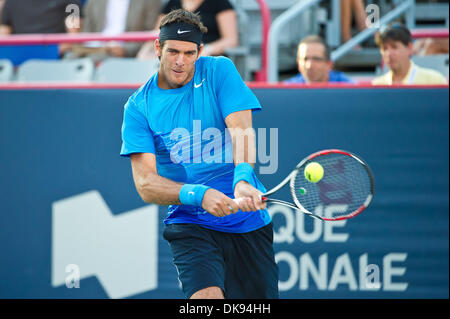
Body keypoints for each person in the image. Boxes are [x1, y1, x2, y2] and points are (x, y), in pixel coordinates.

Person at [120, 9, 278, 299]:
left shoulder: (219, 70)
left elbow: (241, 131)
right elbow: (145, 184)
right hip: (190, 223)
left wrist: (242, 179)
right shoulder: (138, 107)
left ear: (200, 51)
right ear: (158, 48)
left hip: (248, 224)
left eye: (189, 53)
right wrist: (199, 195)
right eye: (173, 52)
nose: (180, 62)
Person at [137, 0, 238, 59]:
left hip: (205, 59)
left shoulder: (220, 3)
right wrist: (145, 52)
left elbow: (231, 40)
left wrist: (207, 49)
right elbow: (157, 33)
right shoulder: (172, 3)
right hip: (174, 57)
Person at [64, 0, 161, 61]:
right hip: (94, 47)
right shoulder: (94, 2)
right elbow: (87, 31)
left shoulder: (149, 2)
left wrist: (126, 50)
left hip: (122, 51)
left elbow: (150, 34)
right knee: (69, 58)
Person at [372, 24, 448, 85]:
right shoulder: (377, 84)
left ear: (409, 47)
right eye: (384, 49)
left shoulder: (435, 81)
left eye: (394, 47)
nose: (389, 53)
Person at [285, 35, 355, 84]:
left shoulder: (347, 87)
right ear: (298, 63)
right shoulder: (287, 90)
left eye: (316, 59)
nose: (309, 66)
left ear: (329, 64)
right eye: (305, 59)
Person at [0, 0, 82, 35]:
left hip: (57, 56)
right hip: (19, 56)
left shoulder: (72, 2)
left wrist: (54, 51)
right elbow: (4, 35)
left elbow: (73, 35)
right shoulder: (10, 2)